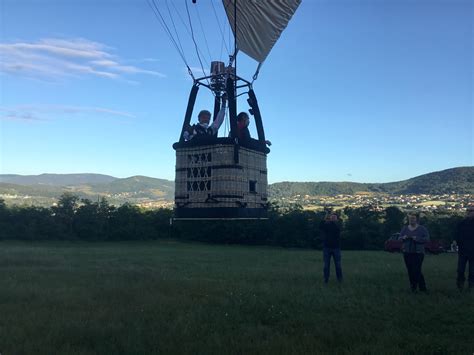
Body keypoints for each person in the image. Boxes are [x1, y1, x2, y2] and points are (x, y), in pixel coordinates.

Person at [399, 213, 430, 293]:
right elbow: (399, 238)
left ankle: (422, 287)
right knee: (410, 270)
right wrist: (403, 238)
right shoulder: (405, 228)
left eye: (413, 218)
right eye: (410, 219)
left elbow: (427, 239)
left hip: (418, 252)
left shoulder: (422, 229)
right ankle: (413, 287)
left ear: (417, 219)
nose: (411, 220)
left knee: (417, 270)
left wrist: (417, 239)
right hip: (407, 252)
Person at [454, 206, 474, 291]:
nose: (468, 212)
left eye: (471, 211)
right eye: (467, 210)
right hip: (463, 250)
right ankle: (460, 285)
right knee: (460, 270)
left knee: (472, 271)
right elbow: (456, 234)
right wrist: (455, 241)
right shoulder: (461, 223)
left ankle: (471, 286)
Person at [319, 212, 342, 283]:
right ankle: (326, 280)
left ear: (337, 219)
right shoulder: (327, 225)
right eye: (332, 217)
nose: (333, 218)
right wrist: (326, 218)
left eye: (334, 217)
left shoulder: (338, 225)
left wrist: (330, 220)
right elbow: (320, 226)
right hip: (327, 248)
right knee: (326, 265)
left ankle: (340, 280)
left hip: (336, 248)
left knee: (338, 265)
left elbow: (337, 229)